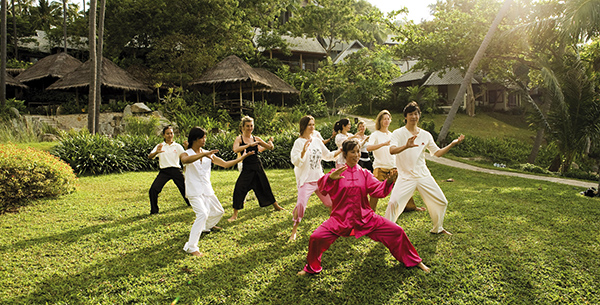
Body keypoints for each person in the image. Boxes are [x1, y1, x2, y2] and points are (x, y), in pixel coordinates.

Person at [298, 139, 430, 275]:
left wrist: (388, 181)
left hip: (365, 217)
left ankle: (414, 260)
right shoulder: (336, 172)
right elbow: (323, 188)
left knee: (397, 231)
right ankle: (311, 268)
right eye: (353, 152)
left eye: (358, 152)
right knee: (316, 237)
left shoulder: (365, 173)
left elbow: (378, 190)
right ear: (345, 153)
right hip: (340, 219)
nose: (356, 155)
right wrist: (330, 178)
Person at [385, 102, 465, 235]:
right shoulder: (398, 133)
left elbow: (437, 153)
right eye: (410, 114)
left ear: (419, 116)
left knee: (442, 201)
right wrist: (406, 146)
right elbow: (392, 150)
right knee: (393, 203)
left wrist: (452, 143)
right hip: (405, 176)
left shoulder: (426, 135)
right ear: (405, 117)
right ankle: (387, 231)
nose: (413, 116)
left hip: (423, 175)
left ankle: (438, 228)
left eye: (416, 114)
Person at [179, 127, 253, 257]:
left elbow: (225, 164)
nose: (204, 140)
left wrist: (243, 157)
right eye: (202, 137)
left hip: (207, 190)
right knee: (202, 213)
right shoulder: (186, 153)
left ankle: (205, 227)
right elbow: (185, 161)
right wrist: (203, 154)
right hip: (194, 191)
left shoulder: (208, 153)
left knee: (219, 211)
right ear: (195, 139)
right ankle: (191, 247)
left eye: (205, 137)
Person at [289, 115, 341, 241]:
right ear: (304, 126)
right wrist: (303, 152)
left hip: (319, 179)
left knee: (330, 202)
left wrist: (340, 150)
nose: (312, 127)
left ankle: (333, 227)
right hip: (306, 180)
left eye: (313, 124)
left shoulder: (317, 140)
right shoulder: (298, 142)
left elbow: (327, 155)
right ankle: (294, 231)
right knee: (301, 204)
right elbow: (295, 161)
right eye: (309, 125)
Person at [366, 110, 425, 212]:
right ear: (380, 120)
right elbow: (368, 148)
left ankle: (411, 207)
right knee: (375, 191)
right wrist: (383, 144)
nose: (386, 121)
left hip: (394, 167)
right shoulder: (375, 134)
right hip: (380, 167)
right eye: (384, 119)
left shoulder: (392, 134)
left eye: (388, 119)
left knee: (404, 188)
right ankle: (370, 211)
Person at [229, 116, 284, 222]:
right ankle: (235, 214)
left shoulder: (256, 139)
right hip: (247, 168)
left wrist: (271, 142)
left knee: (265, 186)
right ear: (243, 127)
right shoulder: (239, 138)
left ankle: (276, 206)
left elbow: (269, 147)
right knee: (239, 188)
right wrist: (248, 145)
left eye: (251, 126)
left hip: (257, 166)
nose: (250, 128)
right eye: (247, 126)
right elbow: (235, 149)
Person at [148, 125, 190, 215]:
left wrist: (187, 148)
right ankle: (154, 211)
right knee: (153, 189)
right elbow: (150, 156)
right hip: (164, 171)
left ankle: (191, 204)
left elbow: (185, 157)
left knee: (186, 188)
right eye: (167, 133)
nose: (170, 135)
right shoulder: (160, 146)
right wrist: (156, 152)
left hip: (176, 170)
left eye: (171, 133)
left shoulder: (177, 146)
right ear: (163, 135)